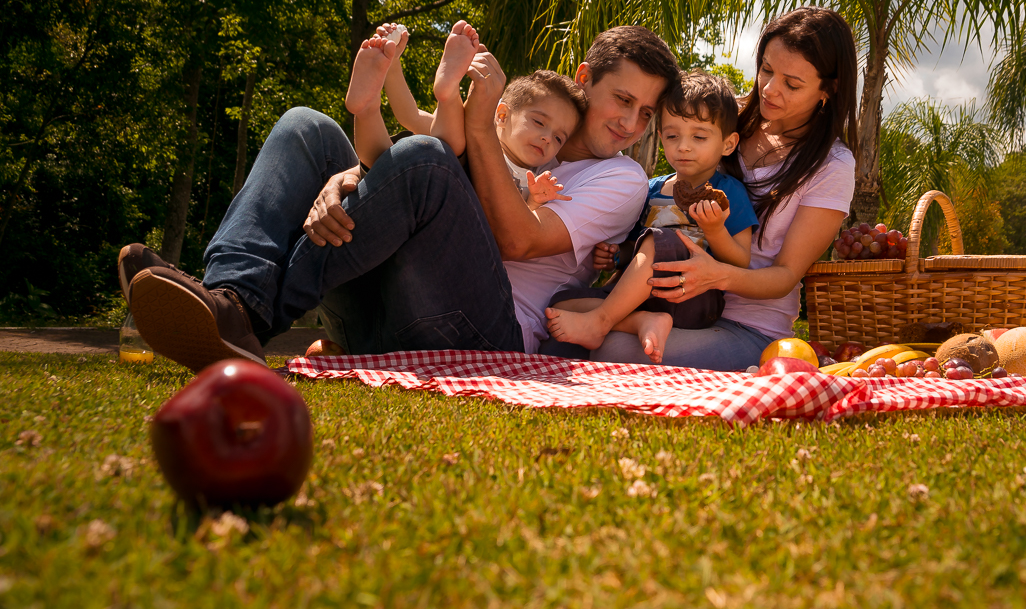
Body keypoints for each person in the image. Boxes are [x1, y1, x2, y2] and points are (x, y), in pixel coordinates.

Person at [119, 24, 679, 372]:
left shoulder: (620, 178)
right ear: (584, 79)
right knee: (305, 127)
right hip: (385, 308)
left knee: (428, 161)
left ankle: (250, 317)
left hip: (485, 333)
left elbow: (516, 238)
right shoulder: (531, 126)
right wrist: (348, 178)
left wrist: (479, 123)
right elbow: (406, 171)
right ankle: (233, 301)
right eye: (621, 99)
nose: (630, 124)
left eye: (645, 113)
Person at [545, 7, 859, 371]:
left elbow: (786, 276)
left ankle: (608, 323)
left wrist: (716, 274)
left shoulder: (832, 165)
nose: (770, 89)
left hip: (744, 326)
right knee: (558, 326)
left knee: (616, 350)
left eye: (792, 84)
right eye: (766, 69)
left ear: (828, 90)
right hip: (660, 297)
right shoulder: (720, 116)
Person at [542, 70, 757, 363]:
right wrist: (617, 255)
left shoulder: (728, 192)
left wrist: (715, 230)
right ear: (661, 137)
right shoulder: (651, 189)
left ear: (728, 144)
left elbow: (741, 261)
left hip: (689, 297)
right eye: (672, 136)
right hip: (638, 300)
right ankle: (638, 321)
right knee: (560, 303)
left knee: (662, 240)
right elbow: (636, 248)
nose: (683, 146)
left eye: (699, 137)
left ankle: (602, 321)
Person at [352, 21, 580, 209]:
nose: (547, 138)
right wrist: (392, 64)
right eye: (539, 122)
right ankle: (439, 96)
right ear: (502, 116)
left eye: (559, 138)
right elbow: (410, 116)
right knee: (445, 143)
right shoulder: (475, 134)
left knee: (444, 145)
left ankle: (367, 111)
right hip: (410, 184)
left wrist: (535, 201)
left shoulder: (537, 181)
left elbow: (519, 228)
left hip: (439, 208)